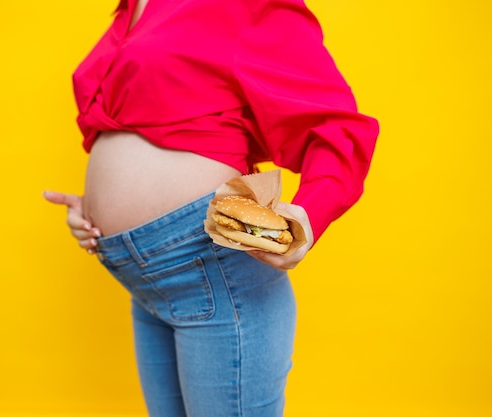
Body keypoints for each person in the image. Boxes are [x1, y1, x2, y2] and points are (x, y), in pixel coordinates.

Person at [44, 0, 379, 415]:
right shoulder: (131, 8)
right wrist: (95, 207)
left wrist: (307, 217)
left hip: (212, 267)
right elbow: (144, 126)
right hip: (147, 284)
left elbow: (336, 127)